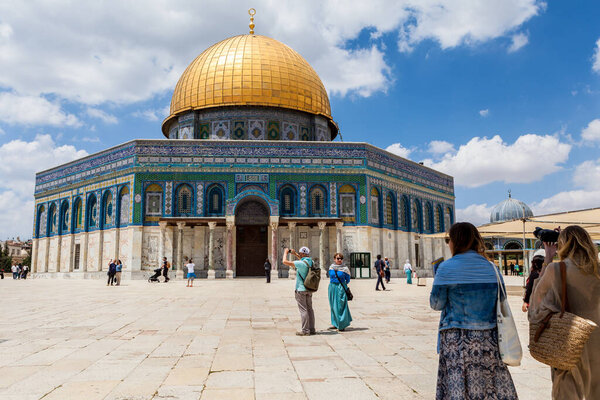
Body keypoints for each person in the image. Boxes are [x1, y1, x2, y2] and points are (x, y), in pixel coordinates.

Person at [430, 222, 517, 400]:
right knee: (489, 386)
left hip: (457, 340)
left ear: (455, 241)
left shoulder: (445, 268)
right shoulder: (492, 268)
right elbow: (501, 299)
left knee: (458, 388)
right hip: (489, 339)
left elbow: (436, 304)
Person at [528, 226, 600, 399]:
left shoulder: (556, 269)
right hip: (597, 340)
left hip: (569, 340)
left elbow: (535, 309)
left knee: (568, 389)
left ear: (563, 244)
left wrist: (548, 257)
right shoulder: (597, 270)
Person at [282, 246, 315, 336]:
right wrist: (295, 254)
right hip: (309, 289)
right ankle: (312, 329)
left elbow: (284, 262)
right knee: (310, 309)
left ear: (302, 254)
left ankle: (305, 330)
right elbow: (303, 260)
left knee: (303, 310)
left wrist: (285, 253)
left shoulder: (300, 264)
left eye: (300, 253)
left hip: (301, 289)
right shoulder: (311, 262)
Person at [328, 252, 352, 331]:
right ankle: (335, 323)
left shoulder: (345, 269)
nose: (339, 260)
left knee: (340, 306)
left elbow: (347, 280)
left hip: (340, 287)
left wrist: (341, 285)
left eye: (341, 259)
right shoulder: (331, 267)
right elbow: (330, 276)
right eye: (338, 258)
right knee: (333, 305)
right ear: (334, 259)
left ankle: (342, 324)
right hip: (332, 287)